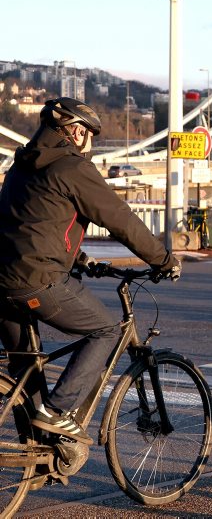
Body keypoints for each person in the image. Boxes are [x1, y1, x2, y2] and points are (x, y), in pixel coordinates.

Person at [0, 97, 181, 445]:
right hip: (36, 280)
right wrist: (163, 260)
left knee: (27, 369)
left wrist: (80, 259)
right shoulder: (73, 167)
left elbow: (31, 224)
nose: (90, 143)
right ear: (75, 131)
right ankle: (57, 411)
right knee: (106, 330)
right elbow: (121, 220)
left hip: (3, 280)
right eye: (89, 134)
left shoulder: (21, 165)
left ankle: (38, 455)